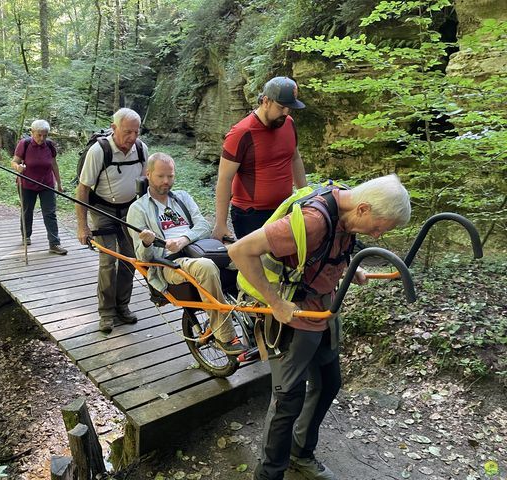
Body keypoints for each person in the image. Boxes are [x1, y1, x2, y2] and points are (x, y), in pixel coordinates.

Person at [227, 175, 411, 480]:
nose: (378, 236)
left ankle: (300, 453)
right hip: (294, 316)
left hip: (323, 313)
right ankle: (269, 474)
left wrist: (350, 267)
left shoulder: (346, 210)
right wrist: (275, 302)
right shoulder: (314, 221)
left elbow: (328, 249)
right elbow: (240, 251)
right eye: (379, 227)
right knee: (288, 399)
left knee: (328, 383)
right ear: (363, 208)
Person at [126, 152, 245, 355]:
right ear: (148, 174)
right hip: (170, 264)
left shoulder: (182, 197)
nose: (166, 181)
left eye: (170, 176)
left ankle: (252, 312)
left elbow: (203, 225)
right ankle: (226, 337)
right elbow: (144, 258)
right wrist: (146, 243)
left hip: (200, 249)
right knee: (206, 268)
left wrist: (183, 240)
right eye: (161, 176)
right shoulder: (138, 209)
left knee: (249, 255)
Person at [76, 108, 149, 333]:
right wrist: (82, 226)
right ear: (114, 127)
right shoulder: (99, 151)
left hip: (130, 211)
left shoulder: (141, 149)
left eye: (136, 132)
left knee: (130, 259)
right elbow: (83, 190)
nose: (132, 137)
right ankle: (106, 313)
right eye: (127, 132)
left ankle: (122, 306)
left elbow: (145, 185)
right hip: (102, 210)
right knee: (108, 261)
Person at [213, 76, 308, 241]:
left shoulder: (288, 123)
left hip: (285, 208)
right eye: (281, 107)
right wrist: (220, 223)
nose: (286, 112)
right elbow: (224, 178)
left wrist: (305, 195)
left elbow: (295, 159)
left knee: (286, 262)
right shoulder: (241, 133)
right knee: (259, 265)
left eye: (289, 108)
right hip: (251, 215)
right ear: (266, 101)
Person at [11, 119, 67, 255]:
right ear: (32, 132)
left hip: (46, 184)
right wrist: (18, 167)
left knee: (50, 213)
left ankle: (54, 244)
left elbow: (54, 164)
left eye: (45, 135)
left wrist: (59, 183)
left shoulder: (49, 145)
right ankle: (26, 236)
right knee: (27, 210)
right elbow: (14, 161)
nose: (42, 138)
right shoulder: (24, 144)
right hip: (26, 184)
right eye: (39, 135)